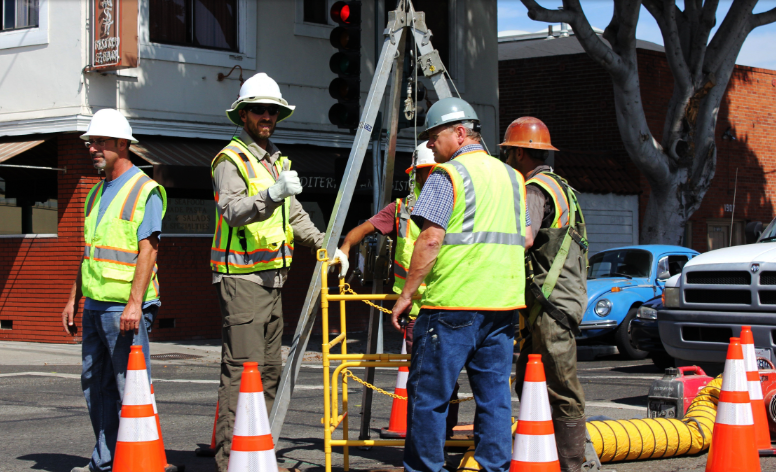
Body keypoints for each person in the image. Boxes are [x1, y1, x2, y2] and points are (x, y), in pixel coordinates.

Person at [391, 97, 532, 472]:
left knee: (429, 398)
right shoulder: (514, 178)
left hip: (452, 304)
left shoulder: (447, 175)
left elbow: (431, 239)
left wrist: (407, 295)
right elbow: (527, 238)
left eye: (435, 137)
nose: (430, 146)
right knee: (495, 399)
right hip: (502, 306)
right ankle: (493, 468)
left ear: (459, 132)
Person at [211, 72, 324, 472]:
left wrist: (324, 243)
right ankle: (230, 462)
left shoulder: (277, 159)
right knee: (243, 372)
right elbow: (232, 211)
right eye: (259, 110)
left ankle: (255, 449)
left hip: (273, 281)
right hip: (242, 281)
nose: (267, 116)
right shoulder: (231, 159)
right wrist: (272, 194)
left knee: (271, 371)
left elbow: (294, 214)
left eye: (272, 111)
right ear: (243, 115)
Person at [62, 108, 166, 472]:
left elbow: (148, 251)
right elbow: (90, 250)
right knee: (96, 386)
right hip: (95, 305)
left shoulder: (144, 189)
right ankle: (106, 461)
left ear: (123, 144)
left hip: (124, 307)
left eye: (100, 142)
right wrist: (74, 297)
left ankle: (141, 463)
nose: (93, 148)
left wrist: (135, 304)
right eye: (91, 141)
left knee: (130, 388)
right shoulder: (95, 193)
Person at [334, 142, 461, 440]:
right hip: (418, 312)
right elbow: (362, 230)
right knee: (426, 380)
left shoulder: (457, 206)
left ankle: (440, 439)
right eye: (422, 174)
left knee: (445, 379)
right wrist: (345, 247)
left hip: (451, 304)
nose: (427, 180)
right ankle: (429, 443)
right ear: (413, 177)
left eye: (432, 173)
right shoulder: (401, 209)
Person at [503, 117, 589, 472]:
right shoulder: (561, 186)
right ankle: (541, 455)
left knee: (560, 385)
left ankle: (569, 464)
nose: (506, 158)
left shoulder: (536, 189)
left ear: (521, 152)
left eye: (509, 151)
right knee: (532, 379)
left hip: (551, 303)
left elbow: (524, 237)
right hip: (554, 301)